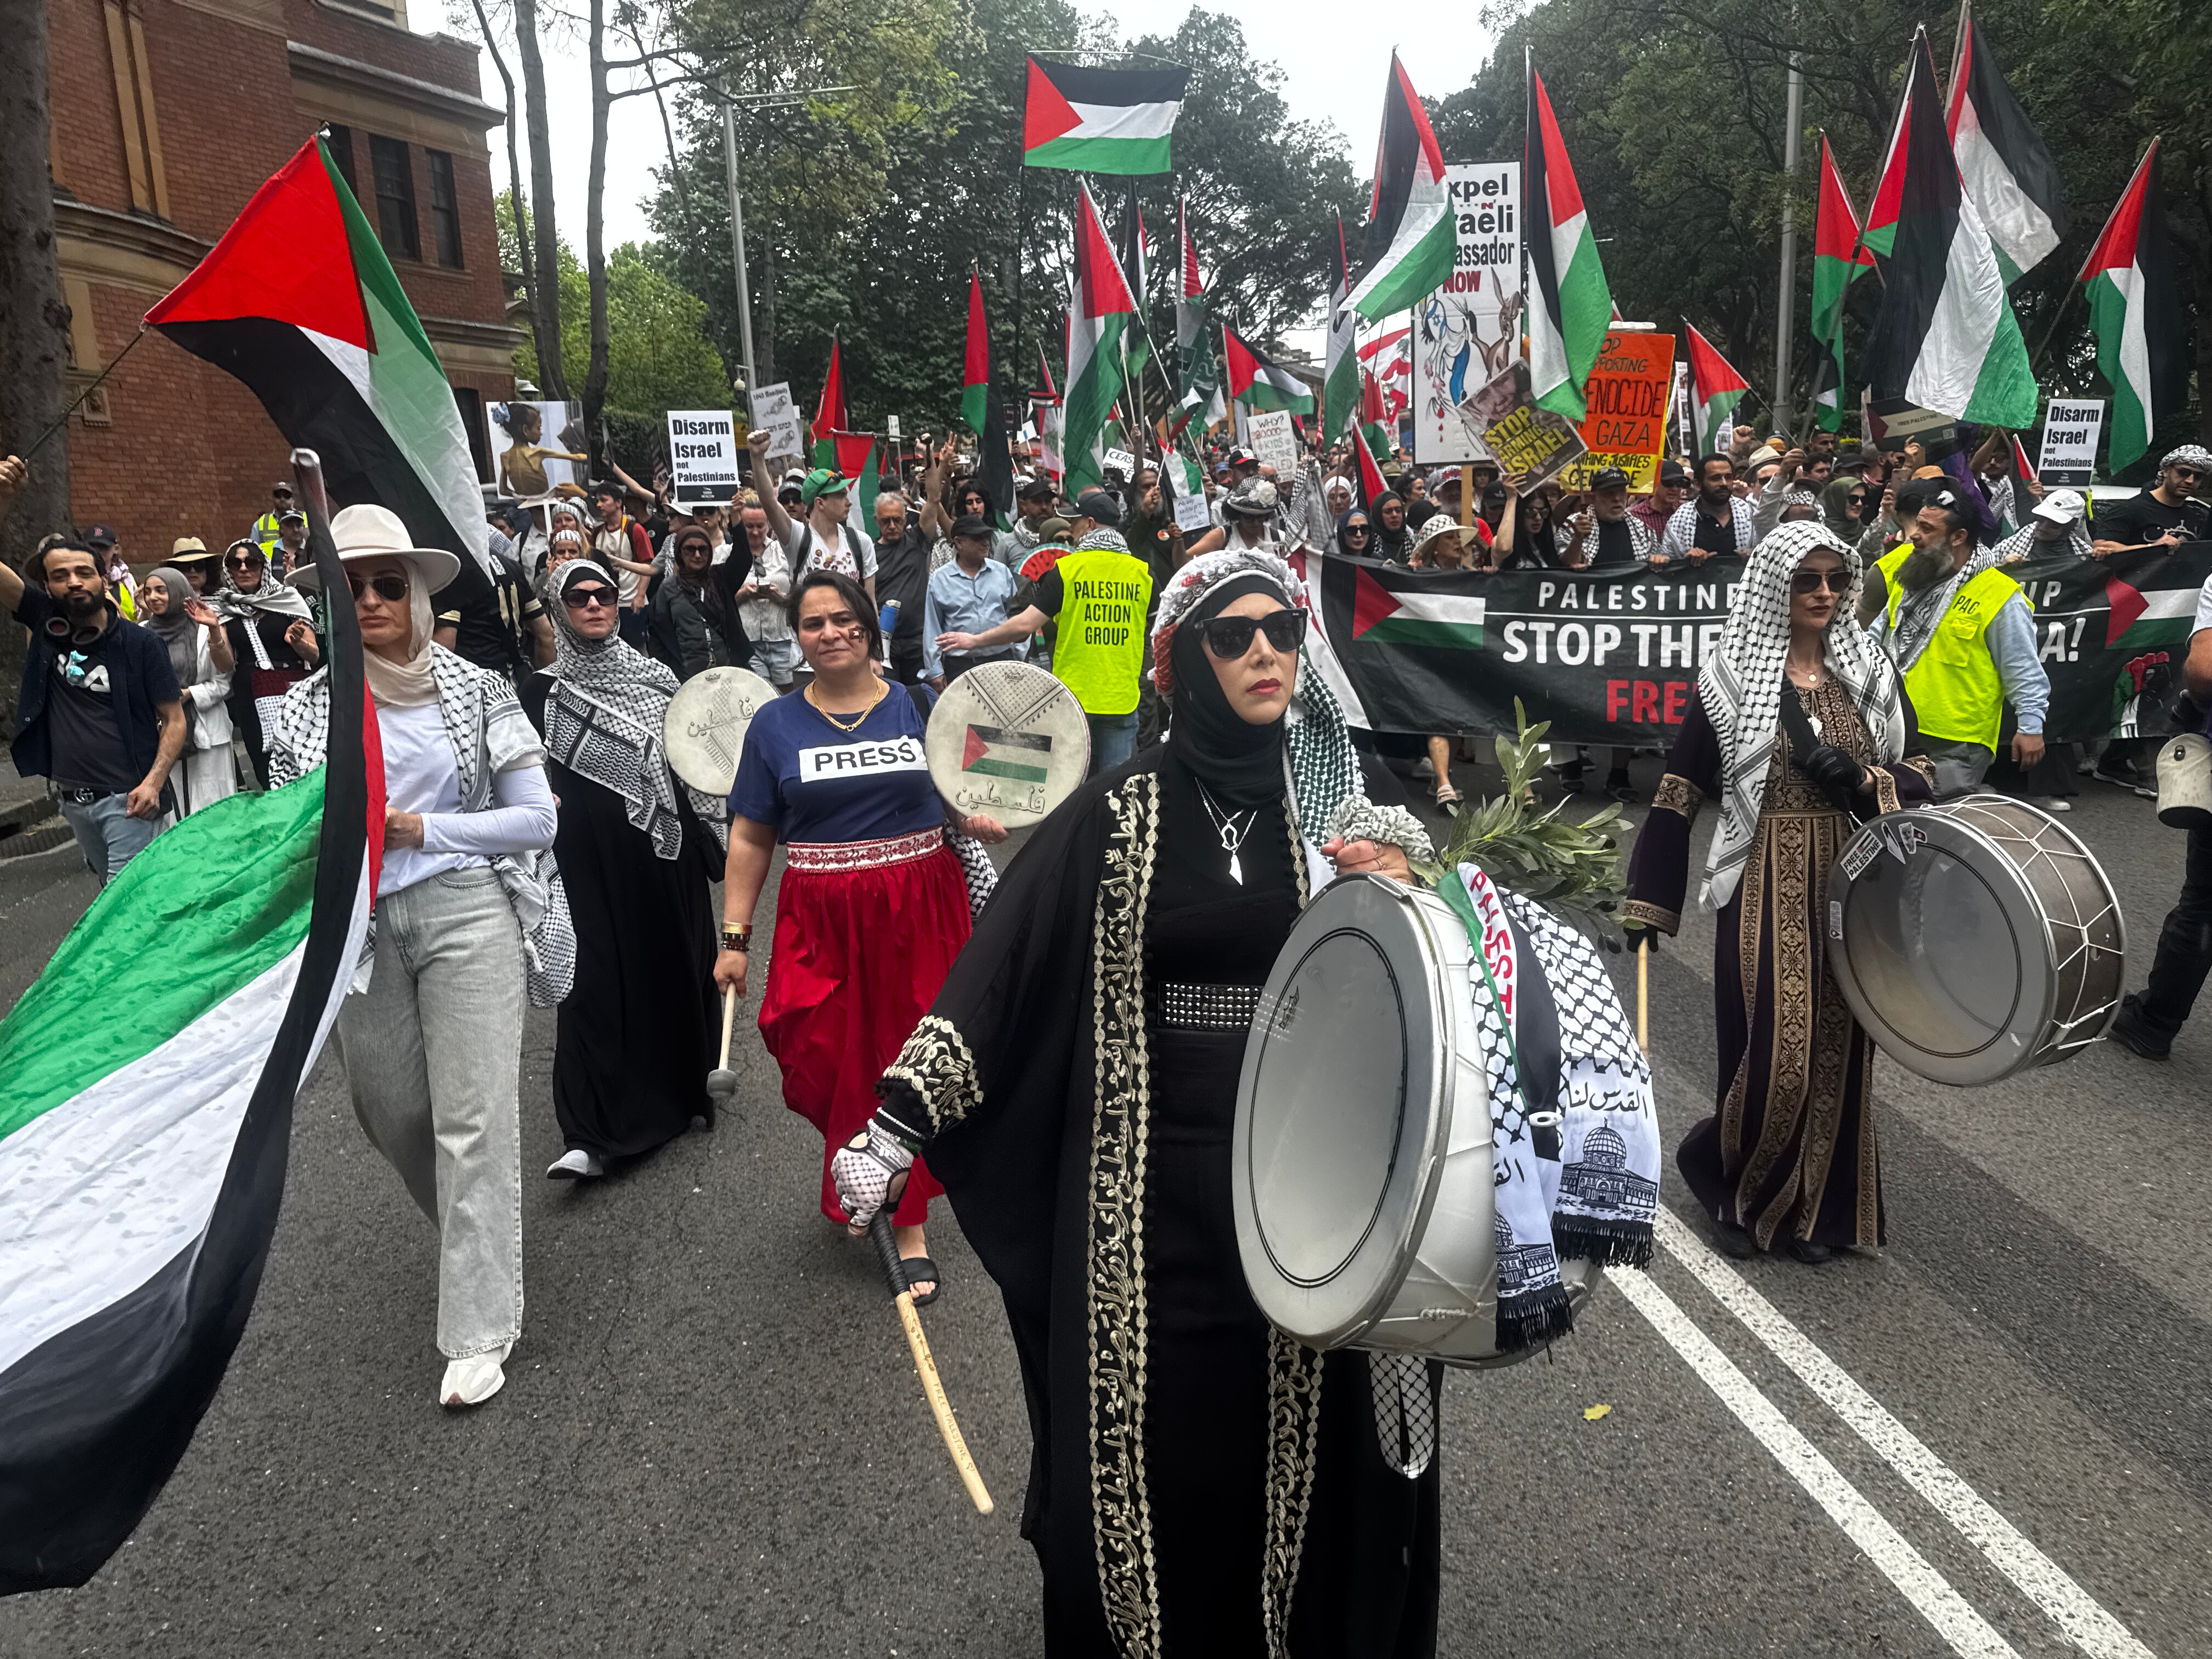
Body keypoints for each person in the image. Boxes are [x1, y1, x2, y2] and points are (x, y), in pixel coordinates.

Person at [833, 548, 1444, 1654]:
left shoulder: (1341, 812)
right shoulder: (1116, 813)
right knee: (1164, 1426)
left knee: (1299, 1415)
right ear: (1183, 662)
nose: (1264, 650)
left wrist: (1405, 890)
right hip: (1148, 1194)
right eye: (1234, 634)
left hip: (1310, 1182)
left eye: (1283, 631)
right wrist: (898, 1122)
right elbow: (1005, 968)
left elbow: (1434, 963)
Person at [268, 504, 559, 1409]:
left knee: (472, 1119)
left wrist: (420, 826)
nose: (370, 599)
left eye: (387, 582)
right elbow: (281, 833)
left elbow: (538, 817)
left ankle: (478, 1326)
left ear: (420, 593)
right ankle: (484, 1242)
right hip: (357, 928)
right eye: (350, 587)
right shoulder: (302, 710)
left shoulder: (477, 689)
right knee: (391, 1109)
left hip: (466, 904)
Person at [1626, 522, 1936, 1260]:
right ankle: (1734, 1186)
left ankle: (1820, 1215)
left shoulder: (1869, 671)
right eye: (1808, 581)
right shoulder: (1731, 679)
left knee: (1841, 1053)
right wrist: (1648, 902)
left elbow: (1924, 766)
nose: (1824, 594)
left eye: (1834, 580)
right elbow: (1676, 793)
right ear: (1776, 588)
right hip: (1762, 876)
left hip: (1854, 884)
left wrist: (1870, 781)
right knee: (1778, 1054)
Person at [714, 571, 1007, 1306]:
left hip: (921, 906)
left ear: (868, 628)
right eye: (814, 624)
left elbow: (974, 784)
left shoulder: (920, 705)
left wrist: (978, 813)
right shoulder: (774, 726)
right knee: (825, 1054)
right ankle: (861, 1171)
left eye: (844, 619)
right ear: (798, 638)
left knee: (909, 1061)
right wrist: (735, 937)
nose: (831, 633)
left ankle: (906, 1223)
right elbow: (751, 835)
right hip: (823, 917)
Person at [528, 561, 724, 1177]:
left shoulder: (658, 680)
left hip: (662, 858)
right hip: (583, 865)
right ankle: (594, 1131)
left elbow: (696, 763)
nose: (593, 605)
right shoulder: (538, 692)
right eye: (578, 597)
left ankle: (680, 1094)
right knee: (591, 983)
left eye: (604, 595)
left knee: (668, 966)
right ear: (559, 610)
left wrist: (715, 837)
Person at [1, 503, 185, 885]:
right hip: (73, 803)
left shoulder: (141, 644)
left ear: (104, 579)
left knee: (123, 907)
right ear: (48, 587)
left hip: (128, 801)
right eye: (60, 576)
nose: (73, 582)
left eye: (84, 573)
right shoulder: (45, 624)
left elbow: (174, 719)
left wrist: (152, 783)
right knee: (116, 900)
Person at [932, 506, 1154, 772]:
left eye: (1076, 524)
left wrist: (975, 640)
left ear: (1091, 524)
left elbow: (1025, 624)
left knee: (1072, 784)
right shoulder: (1143, 573)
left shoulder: (1068, 570)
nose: (1072, 531)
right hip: (1122, 698)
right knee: (1114, 790)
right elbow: (1160, 632)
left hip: (1073, 699)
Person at [1866, 482, 2049, 798]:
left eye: (1926, 528)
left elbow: (2022, 668)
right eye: (1917, 524)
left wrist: (2031, 727)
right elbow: (1872, 643)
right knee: (1892, 823)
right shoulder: (1910, 577)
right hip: (1892, 725)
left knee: (1936, 829)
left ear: (1959, 537)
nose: (1914, 535)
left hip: (1956, 743)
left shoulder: (2000, 595)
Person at [216, 538, 320, 787]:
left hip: (294, 692)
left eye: (251, 562)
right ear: (228, 570)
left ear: (263, 567)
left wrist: (298, 643)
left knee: (306, 758)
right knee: (265, 767)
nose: (243, 569)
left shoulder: (288, 599)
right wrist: (212, 630)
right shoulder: (224, 607)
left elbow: (314, 655)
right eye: (235, 563)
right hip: (251, 698)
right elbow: (224, 664)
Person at [137, 565, 237, 819]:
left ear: (179, 592)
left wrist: (190, 693)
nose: (154, 597)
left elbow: (225, 676)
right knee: (175, 809)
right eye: (148, 592)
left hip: (206, 734)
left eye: (162, 590)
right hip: (162, 733)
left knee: (212, 806)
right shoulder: (142, 633)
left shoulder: (203, 629)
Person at [922, 515, 1022, 687]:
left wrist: (1021, 657)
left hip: (1002, 660)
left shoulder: (1002, 572)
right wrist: (935, 671)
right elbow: (933, 628)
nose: (985, 543)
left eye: (986, 537)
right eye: (977, 538)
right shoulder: (940, 579)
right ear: (959, 543)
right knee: (966, 714)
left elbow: (1016, 616)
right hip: (961, 666)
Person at [650, 521, 751, 681]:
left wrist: (737, 520)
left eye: (703, 549)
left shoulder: (720, 578)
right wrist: (670, 673)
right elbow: (658, 634)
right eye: (690, 549)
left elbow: (743, 558)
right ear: (679, 553)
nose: (697, 555)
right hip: (689, 677)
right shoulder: (668, 589)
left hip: (729, 672)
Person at [2092, 445, 2212, 555]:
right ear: (2166, 471)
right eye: (2183, 472)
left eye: (2198, 476)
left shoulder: (2195, 516)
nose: (2190, 480)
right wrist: (2152, 547)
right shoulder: (2130, 510)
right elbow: (2102, 547)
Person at [731, 493, 798, 690]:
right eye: (748, 526)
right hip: (747, 643)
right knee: (760, 696)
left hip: (783, 640)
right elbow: (718, 603)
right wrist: (742, 595)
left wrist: (780, 597)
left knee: (787, 696)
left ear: (768, 524)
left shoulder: (784, 552)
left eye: (760, 526)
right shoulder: (726, 554)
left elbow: (800, 597)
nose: (754, 532)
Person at [871, 487, 932, 684]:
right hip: (885, 644)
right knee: (890, 698)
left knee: (919, 698)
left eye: (897, 520)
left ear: (905, 519)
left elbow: (934, 502)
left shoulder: (917, 540)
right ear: (876, 521)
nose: (892, 525)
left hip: (918, 639)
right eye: (885, 521)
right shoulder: (868, 554)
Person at [588, 481, 659, 647]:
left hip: (631, 602)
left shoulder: (635, 530)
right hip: (607, 603)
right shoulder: (598, 532)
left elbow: (648, 564)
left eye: (604, 500)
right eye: (597, 501)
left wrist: (640, 595)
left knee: (636, 648)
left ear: (619, 503)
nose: (599, 505)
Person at [1656, 453, 1756, 565]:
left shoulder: (1749, 514)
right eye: (1716, 478)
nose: (1724, 483)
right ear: (1698, 485)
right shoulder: (1681, 519)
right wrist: (1686, 561)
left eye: (1728, 477)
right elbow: (1666, 567)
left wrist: (1755, 554)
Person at [1559, 467, 1656, 568]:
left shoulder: (1643, 530)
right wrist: (1578, 539)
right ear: (1594, 498)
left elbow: (1655, 569)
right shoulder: (1574, 524)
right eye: (1609, 493)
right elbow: (1563, 566)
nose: (1617, 498)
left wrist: (1659, 561)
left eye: (1621, 492)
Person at [494, 402, 587, 498]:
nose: (541, 433)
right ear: (525, 430)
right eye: (539, 428)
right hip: (546, 503)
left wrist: (520, 496)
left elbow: (503, 490)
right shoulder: (537, 453)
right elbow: (577, 457)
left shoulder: (505, 456)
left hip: (525, 505)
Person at [1182, 476, 1282, 557]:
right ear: (1238, 514)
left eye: (1260, 517)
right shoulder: (1222, 536)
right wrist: (1178, 542)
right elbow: (1184, 561)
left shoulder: (1279, 538)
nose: (1256, 522)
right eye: (1249, 517)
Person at [1632, 460, 1690, 541]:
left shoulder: (1685, 514)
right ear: (1655, 483)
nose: (1675, 489)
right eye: (1669, 483)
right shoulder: (1636, 516)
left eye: (1680, 483)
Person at [250, 481, 294, 556]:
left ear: (293, 499)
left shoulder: (307, 519)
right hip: (271, 566)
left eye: (287, 496)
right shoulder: (261, 523)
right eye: (278, 496)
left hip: (302, 566)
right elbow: (253, 552)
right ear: (272, 498)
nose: (282, 499)